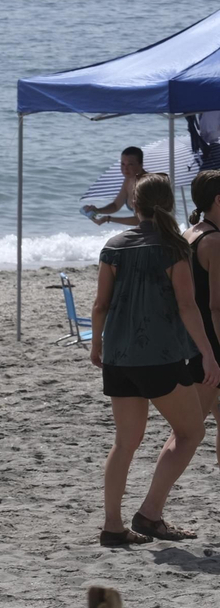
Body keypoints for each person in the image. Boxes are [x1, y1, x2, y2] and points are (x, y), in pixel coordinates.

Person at [91, 173, 218, 546]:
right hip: (159, 357)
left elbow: (101, 305)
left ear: (135, 203)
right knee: (191, 431)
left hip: (118, 356)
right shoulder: (172, 247)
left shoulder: (113, 246)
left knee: (125, 442)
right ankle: (149, 513)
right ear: (168, 204)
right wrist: (208, 354)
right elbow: (187, 306)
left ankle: (112, 526)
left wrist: (96, 345)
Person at [184, 170, 220, 462]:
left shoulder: (189, 233)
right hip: (212, 344)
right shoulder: (214, 242)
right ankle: (150, 507)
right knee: (188, 434)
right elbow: (216, 305)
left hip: (192, 339)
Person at [87, 147, 147, 226]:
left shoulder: (145, 185)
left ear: (141, 165)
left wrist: (108, 219)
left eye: (130, 164)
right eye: (122, 164)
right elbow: (116, 205)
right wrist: (98, 210)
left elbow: (141, 220)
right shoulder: (129, 179)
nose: (125, 168)